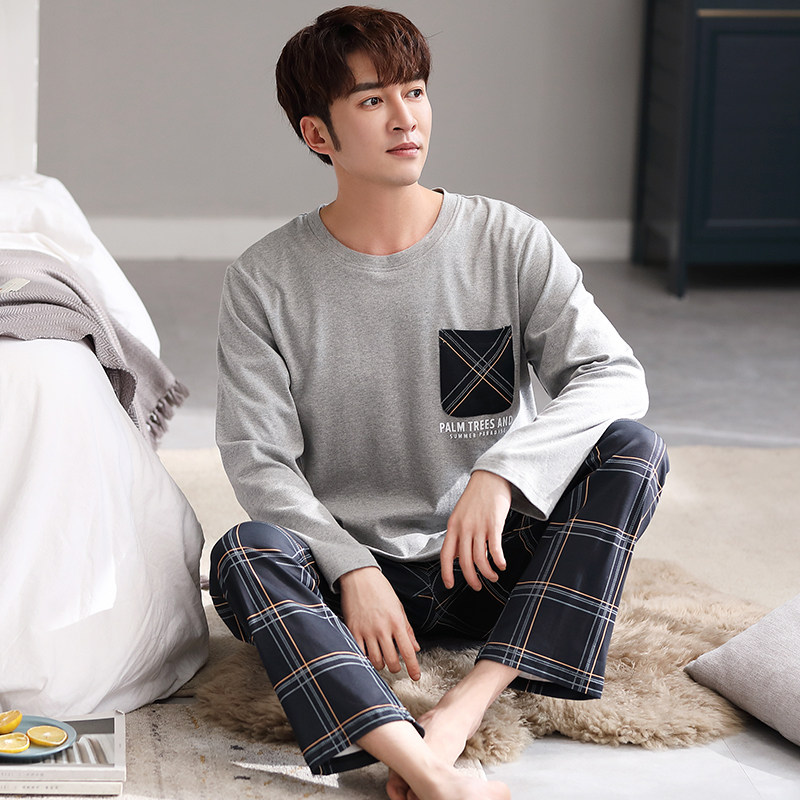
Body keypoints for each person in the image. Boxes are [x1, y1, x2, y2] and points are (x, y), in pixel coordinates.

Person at [210, 7, 668, 800]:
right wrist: (350, 565)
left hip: (487, 563)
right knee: (244, 553)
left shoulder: (507, 239)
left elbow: (613, 374)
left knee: (633, 448)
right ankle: (417, 763)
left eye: (415, 91)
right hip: (355, 593)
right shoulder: (265, 279)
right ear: (318, 134)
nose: (406, 118)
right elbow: (259, 459)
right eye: (372, 100)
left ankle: (467, 703)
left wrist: (503, 473)